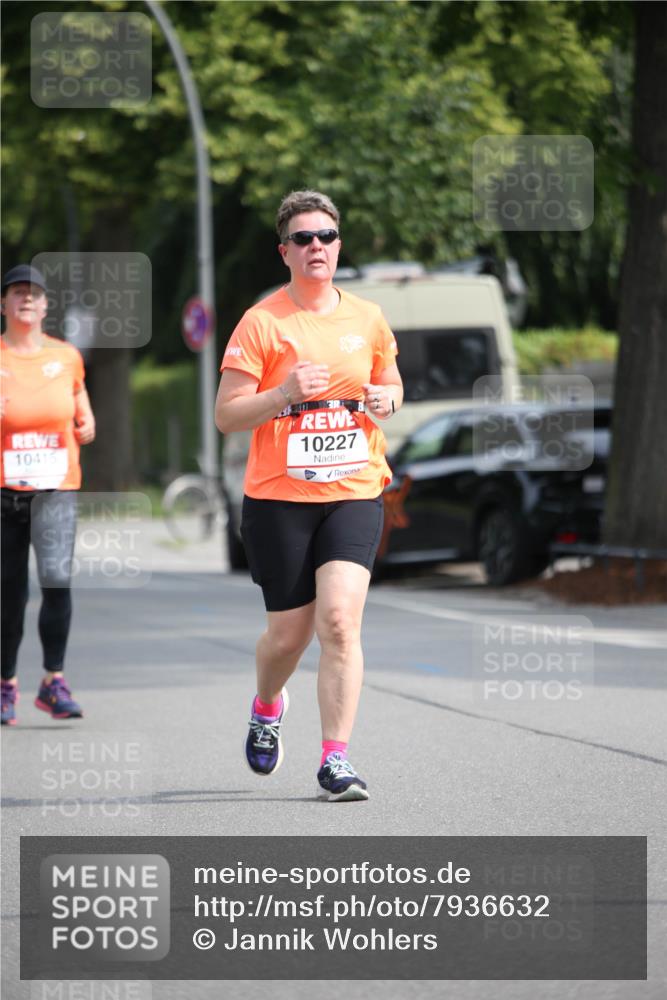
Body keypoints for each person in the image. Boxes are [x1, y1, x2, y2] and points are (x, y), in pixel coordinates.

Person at [215, 190, 403, 801]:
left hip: (354, 489)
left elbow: (393, 382)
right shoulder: (263, 322)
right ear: (285, 252)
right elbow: (226, 415)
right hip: (278, 499)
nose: (316, 246)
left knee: (341, 623)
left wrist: (387, 399)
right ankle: (267, 705)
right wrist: (283, 394)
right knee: (287, 639)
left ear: (338, 245)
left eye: (325, 236)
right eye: (303, 239)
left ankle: (335, 761)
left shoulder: (368, 317)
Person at [1, 264, 95, 725]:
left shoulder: (67, 356)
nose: (26, 300)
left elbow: (81, 408)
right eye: (17, 293)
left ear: (45, 305)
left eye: (34, 294)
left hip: (56, 490)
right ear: (3, 304)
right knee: (9, 592)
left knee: (57, 584)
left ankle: (53, 682)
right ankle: (6, 684)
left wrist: (86, 421)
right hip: (4, 494)